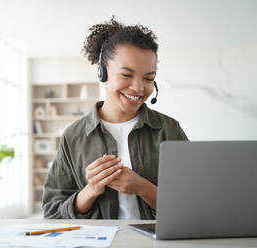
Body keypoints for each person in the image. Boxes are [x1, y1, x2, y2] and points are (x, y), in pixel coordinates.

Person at [42, 17, 188, 219]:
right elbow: (52, 213)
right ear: (103, 72)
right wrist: (91, 190)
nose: (138, 88)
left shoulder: (169, 129)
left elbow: (190, 204)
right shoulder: (73, 136)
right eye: (127, 75)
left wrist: (143, 188)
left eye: (148, 78)